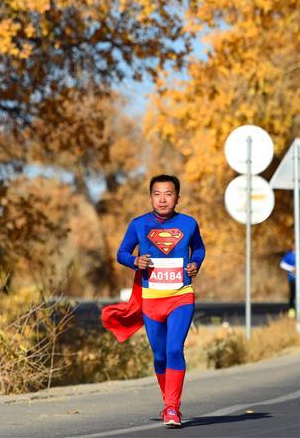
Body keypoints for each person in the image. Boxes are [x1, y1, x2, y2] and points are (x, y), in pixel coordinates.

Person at [102, 174, 205, 428]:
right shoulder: (139, 224)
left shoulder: (189, 223)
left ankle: (173, 408)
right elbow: (122, 253)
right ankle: (167, 401)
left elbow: (199, 249)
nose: (162, 199)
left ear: (177, 197)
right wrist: (135, 261)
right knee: (159, 355)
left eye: (168, 194)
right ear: (150, 197)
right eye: (157, 194)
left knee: (173, 349)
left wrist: (195, 264)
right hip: (151, 300)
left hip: (181, 296)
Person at [279, 249, 300, 318]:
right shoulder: (289, 255)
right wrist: (291, 268)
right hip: (292, 278)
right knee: (292, 293)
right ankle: (291, 309)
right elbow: (282, 264)